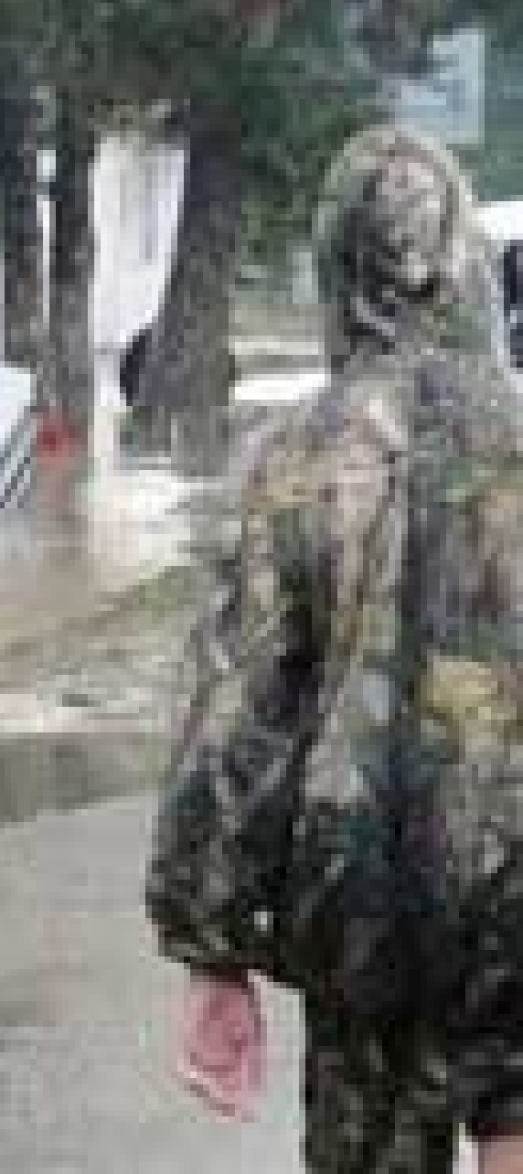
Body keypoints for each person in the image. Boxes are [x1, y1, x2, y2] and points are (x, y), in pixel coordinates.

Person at [147, 123, 523, 1172]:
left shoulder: (297, 460)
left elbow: (238, 709)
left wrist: (211, 944)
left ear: (338, 265)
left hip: (358, 895)